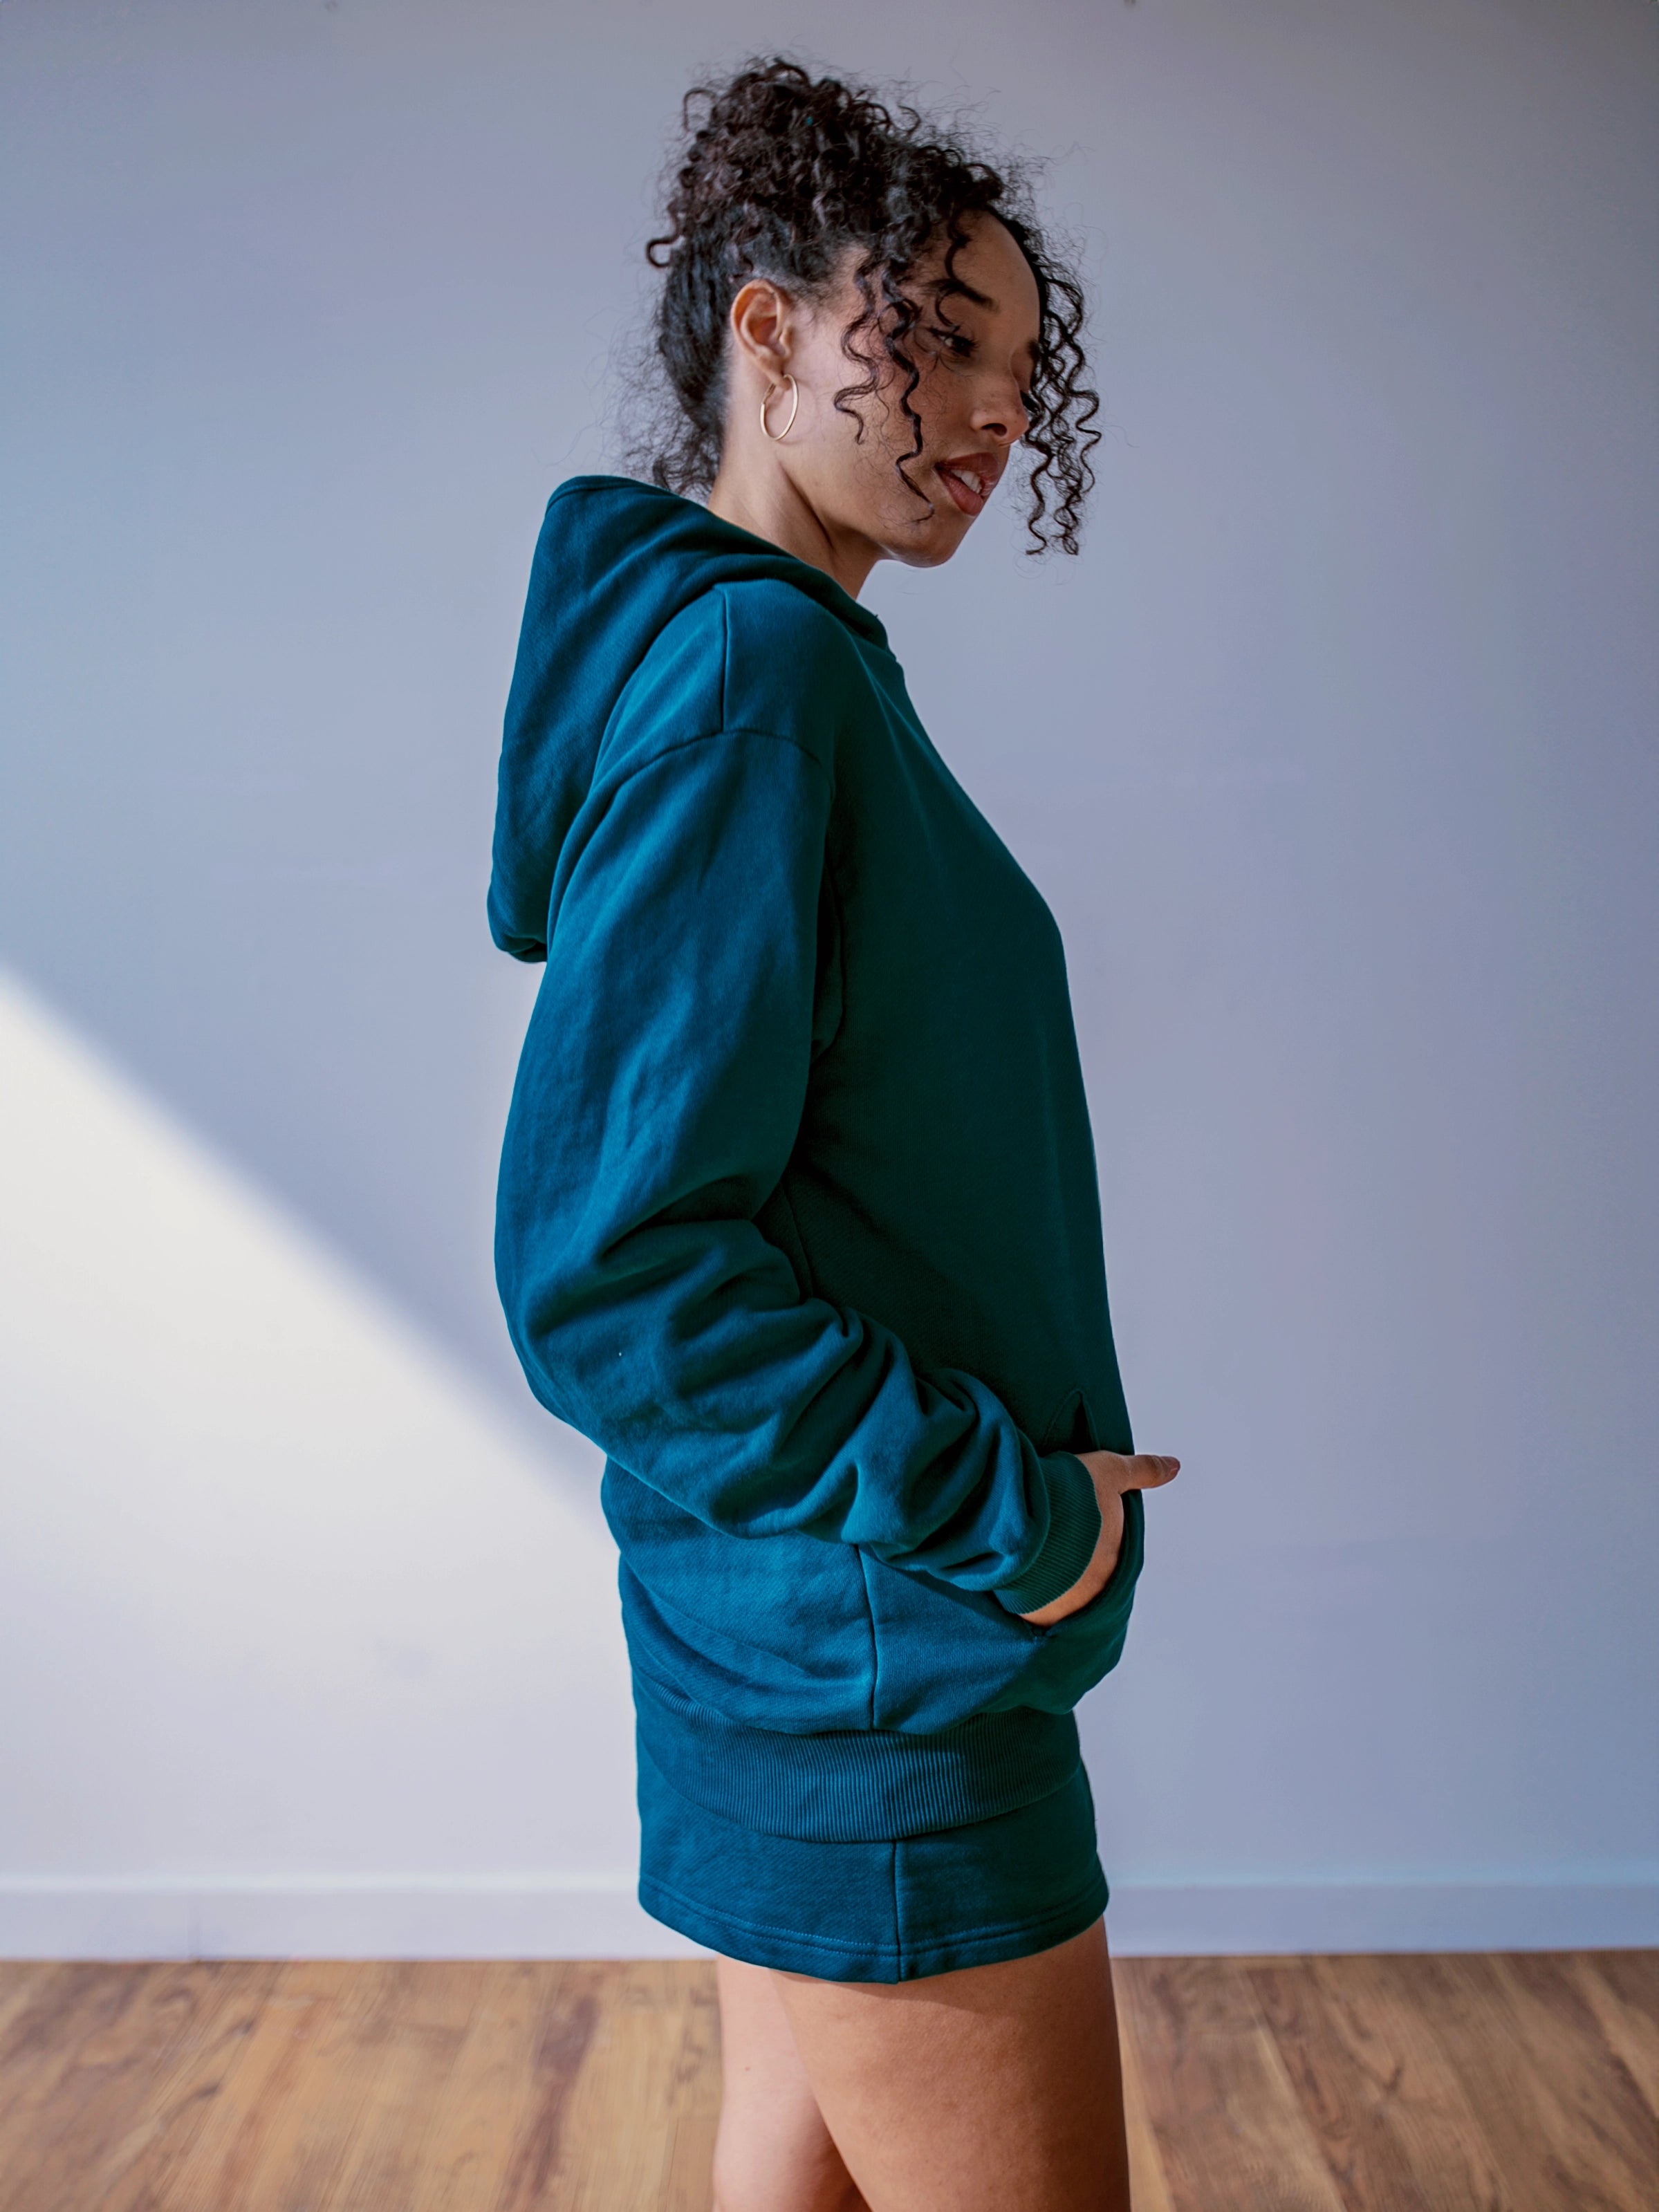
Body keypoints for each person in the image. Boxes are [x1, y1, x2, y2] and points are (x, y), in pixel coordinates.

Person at [488, 57, 1180, 2212]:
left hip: (802, 1632)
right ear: (765, 329)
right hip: (879, 1664)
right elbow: (613, 1272)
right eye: (935, 339)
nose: (988, 412)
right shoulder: (752, 687)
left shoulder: (780, 669)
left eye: (1016, 368)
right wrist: (1010, 1509)